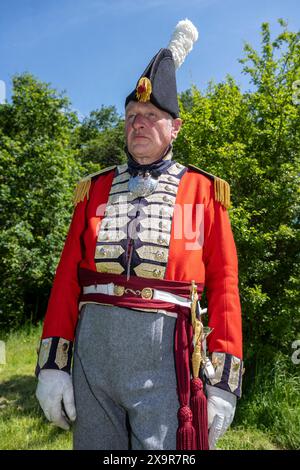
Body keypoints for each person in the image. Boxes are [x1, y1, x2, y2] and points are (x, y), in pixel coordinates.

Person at [35, 19, 243, 451]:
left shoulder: (205, 191)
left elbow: (224, 287)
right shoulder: (91, 190)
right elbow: (66, 281)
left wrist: (223, 381)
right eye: (132, 116)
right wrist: (53, 365)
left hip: (166, 354)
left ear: (176, 127)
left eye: (151, 116)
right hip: (94, 354)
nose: (139, 124)